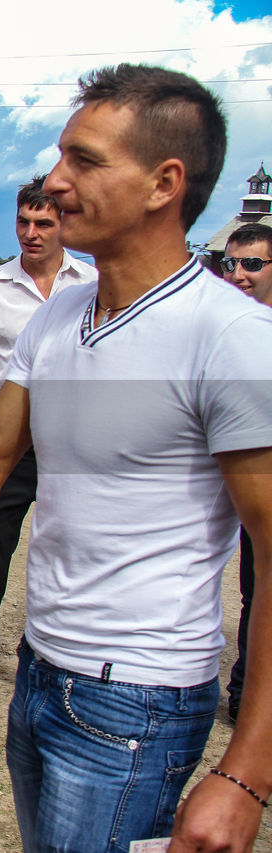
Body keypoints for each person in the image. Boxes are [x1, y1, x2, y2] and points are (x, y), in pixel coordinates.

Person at [0, 64, 272, 852]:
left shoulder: (231, 337)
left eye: (85, 160)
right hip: (41, 671)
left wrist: (245, 771)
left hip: (140, 699)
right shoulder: (61, 314)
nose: (57, 183)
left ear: (164, 182)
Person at [0, 176, 98, 716]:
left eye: (44, 223)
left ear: (64, 224)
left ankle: (70, 679)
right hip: (5, 447)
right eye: (23, 223)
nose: (31, 234)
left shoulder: (94, 284)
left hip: (73, 448)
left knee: (74, 568)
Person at [219, 221, 272, 722]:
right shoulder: (218, 330)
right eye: (230, 262)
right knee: (252, 586)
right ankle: (243, 691)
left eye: (253, 263)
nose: (238, 273)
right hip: (235, 479)